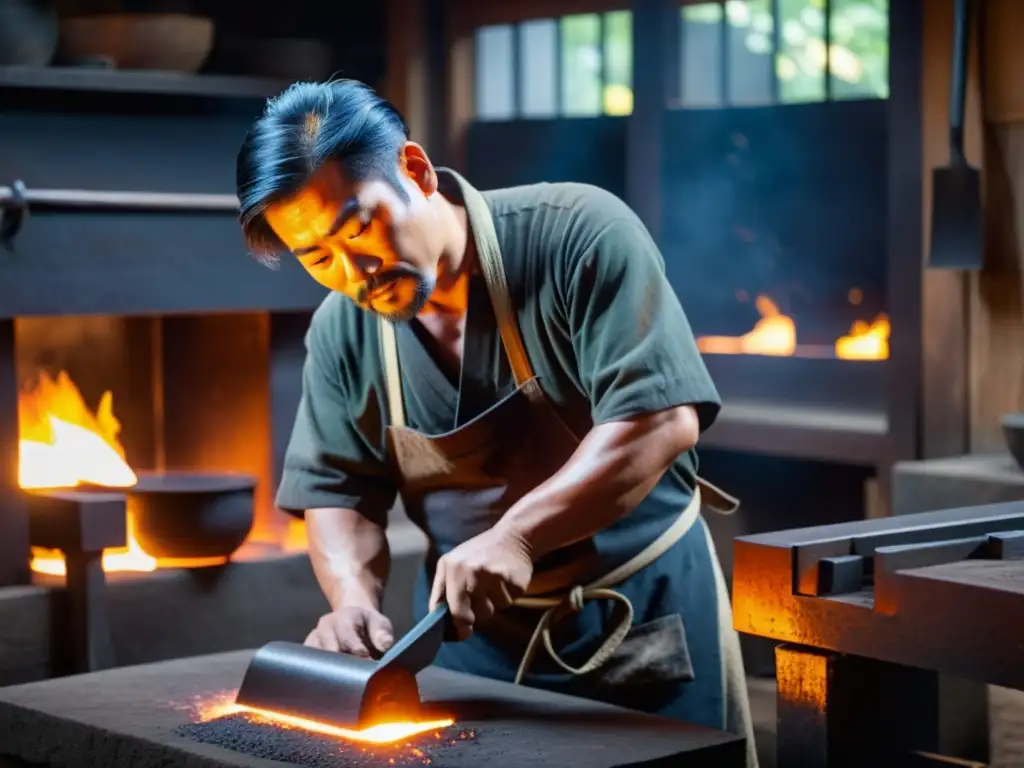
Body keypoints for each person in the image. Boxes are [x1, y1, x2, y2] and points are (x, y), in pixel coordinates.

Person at [235, 78, 757, 766]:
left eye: (357, 228)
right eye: (317, 258)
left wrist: (516, 536)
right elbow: (336, 490)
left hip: (636, 622)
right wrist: (352, 600)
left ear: (415, 171)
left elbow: (659, 421)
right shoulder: (344, 329)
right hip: (463, 650)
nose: (354, 272)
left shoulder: (578, 233)